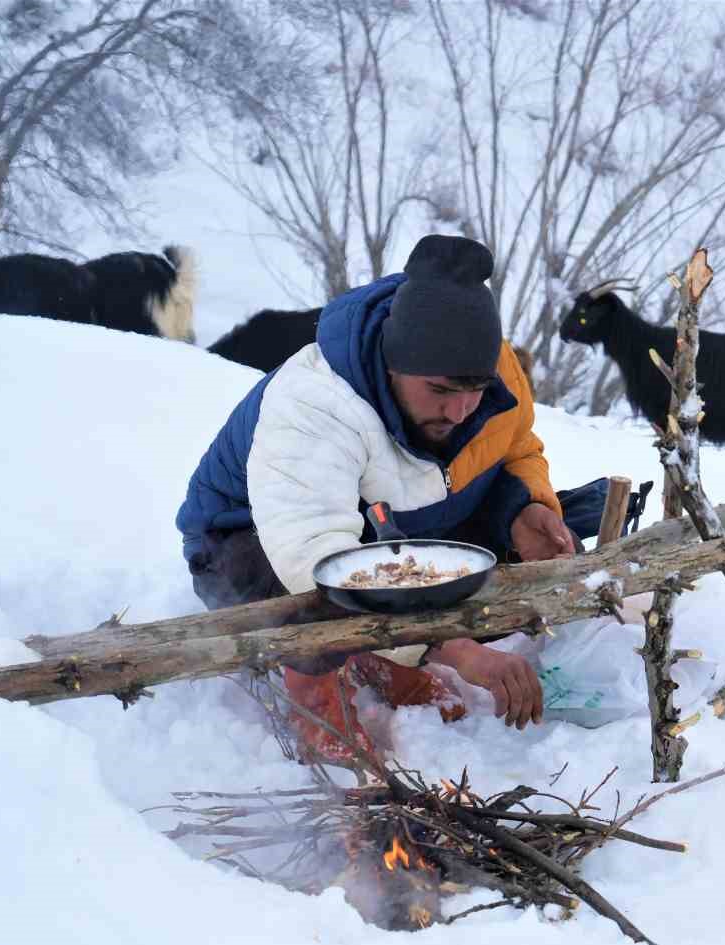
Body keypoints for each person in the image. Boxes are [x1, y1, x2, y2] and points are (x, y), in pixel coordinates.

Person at [176, 234, 606, 763]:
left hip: (381, 519)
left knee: (483, 554)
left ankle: (378, 656)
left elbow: (516, 447)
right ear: (392, 364)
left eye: (475, 388)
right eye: (442, 391)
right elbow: (320, 564)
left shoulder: (492, 373)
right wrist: (449, 644)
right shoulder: (317, 403)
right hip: (247, 542)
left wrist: (525, 508)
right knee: (312, 605)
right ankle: (319, 700)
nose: (461, 410)